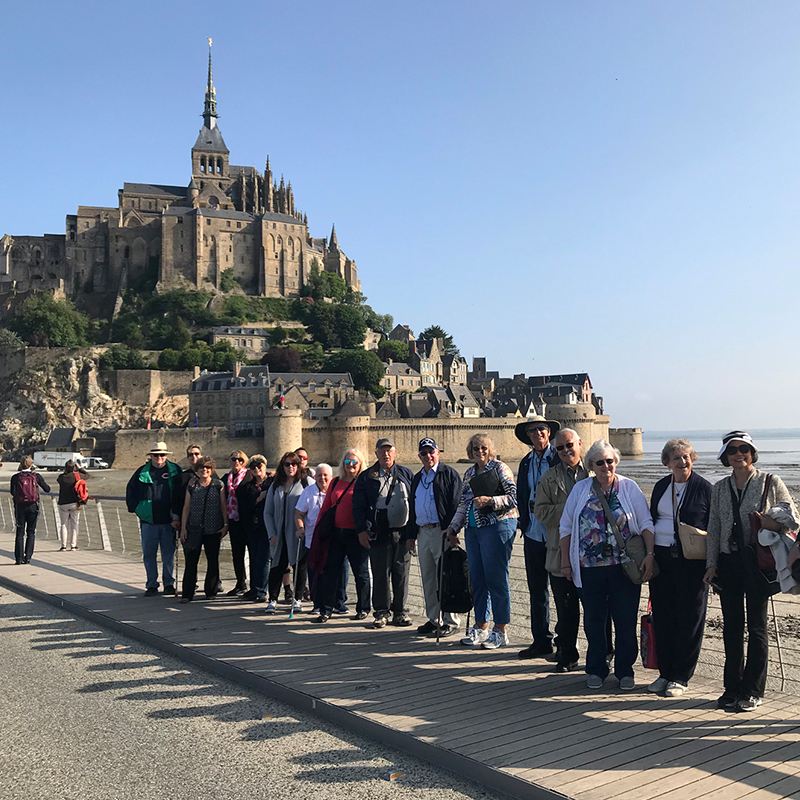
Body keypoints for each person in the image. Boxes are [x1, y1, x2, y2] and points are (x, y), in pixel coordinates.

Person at [704, 431, 799, 712]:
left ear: (752, 452)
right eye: (732, 449)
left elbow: (793, 521)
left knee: (757, 627)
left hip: (757, 562)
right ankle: (731, 688)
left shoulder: (770, 482)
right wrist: (711, 564)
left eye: (744, 448)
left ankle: (753, 690)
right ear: (725, 455)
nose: (738, 454)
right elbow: (714, 529)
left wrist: (775, 525)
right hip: (728, 562)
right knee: (731, 627)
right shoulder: (720, 487)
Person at [560, 440, 655, 691]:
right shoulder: (581, 489)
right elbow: (566, 526)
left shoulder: (629, 487)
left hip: (624, 567)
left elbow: (645, 523)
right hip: (588, 566)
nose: (605, 466)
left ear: (616, 462)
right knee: (594, 620)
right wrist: (565, 564)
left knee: (624, 619)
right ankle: (596, 668)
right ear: (591, 465)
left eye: (609, 461)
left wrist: (650, 554)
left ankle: (625, 670)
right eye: (600, 462)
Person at [648, 438, 713, 697]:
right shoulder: (661, 486)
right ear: (667, 463)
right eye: (677, 458)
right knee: (663, 615)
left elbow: (715, 528)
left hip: (693, 563)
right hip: (663, 559)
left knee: (690, 618)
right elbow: (651, 519)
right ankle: (664, 673)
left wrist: (713, 565)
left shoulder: (705, 488)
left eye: (686, 456)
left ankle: (681, 677)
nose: (683, 461)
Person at [444, 433, 518, 650]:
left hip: (498, 527)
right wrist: (453, 527)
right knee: (477, 579)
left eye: (484, 448)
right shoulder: (468, 473)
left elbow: (514, 498)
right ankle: (481, 626)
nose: (480, 452)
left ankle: (501, 629)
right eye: (476, 449)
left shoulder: (500, 468)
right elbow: (462, 505)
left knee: (496, 579)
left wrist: (490, 501)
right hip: (474, 531)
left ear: (490, 449)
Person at [533, 428, 589, 672]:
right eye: (560, 448)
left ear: (579, 443)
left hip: (592, 552)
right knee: (565, 608)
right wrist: (570, 509)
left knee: (597, 608)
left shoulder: (594, 470)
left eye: (570, 445)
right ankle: (567, 654)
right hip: (560, 553)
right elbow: (540, 511)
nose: (566, 451)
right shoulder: (549, 477)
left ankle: (604, 653)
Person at [354, 438, 414, 628]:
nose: (386, 454)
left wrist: (414, 532)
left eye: (389, 451)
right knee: (380, 573)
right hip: (378, 532)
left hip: (403, 533)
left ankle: (400, 612)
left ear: (395, 453)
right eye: (382, 451)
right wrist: (361, 531)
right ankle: (381, 612)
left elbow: (415, 502)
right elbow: (358, 507)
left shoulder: (406, 474)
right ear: (376, 454)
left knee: (402, 573)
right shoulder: (366, 477)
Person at [406, 437, 463, 637]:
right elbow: (413, 508)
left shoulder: (449, 474)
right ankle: (434, 618)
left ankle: (451, 620)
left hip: (442, 531)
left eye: (431, 452)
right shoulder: (417, 478)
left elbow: (456, 504)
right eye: (423, 453)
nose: (428, 456)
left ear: (438, 453)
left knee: (446, 576)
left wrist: (452, 531)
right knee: (429, 577)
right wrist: (411, 535)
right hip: (423, 531)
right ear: (419, 456)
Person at [515, 415, 561, 660]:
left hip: (555, 534)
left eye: (541, 429)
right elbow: (521, 494)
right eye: (532, 430)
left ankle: (563, 643)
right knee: (537, 590)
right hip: (533, 533)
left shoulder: (558, 458)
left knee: (562, 591)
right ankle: (541, 640)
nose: (537, 433)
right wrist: (523, 520)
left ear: (549, 432)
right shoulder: (525, 463)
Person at [315, 448, 371, 623]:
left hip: (357, 534)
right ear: (343, 464)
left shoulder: (365, 483)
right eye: (347, 462)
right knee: (331, 572)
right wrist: (318, 531)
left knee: (361, 573)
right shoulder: (335, 482)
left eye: (355, 462)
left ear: (361, 464)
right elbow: (326, 508)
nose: (351, 465)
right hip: (337, 534)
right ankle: (326, 610)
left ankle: (363, 608)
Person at [125, 441, 182, 596]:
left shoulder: (175, 470)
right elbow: (131, 491)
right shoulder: (141, 471)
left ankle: (169, 584)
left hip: (169, 521)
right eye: (156, 455)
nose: (159, 458)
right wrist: (136, 509)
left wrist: (179, 515)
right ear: (151, 456)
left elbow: (182, 493)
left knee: (168, 555)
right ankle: (151, 585)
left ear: (166, 456)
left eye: (162, 455)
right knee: (149, 555)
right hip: (148, 521)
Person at [263, 451, 312, 614]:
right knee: (277, 566)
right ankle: (273, 599)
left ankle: (298, 599)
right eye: (287, 464)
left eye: (294, 464)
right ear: (282, 466)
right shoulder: (275, 485)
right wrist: (272, 534)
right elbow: (267, 512)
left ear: (298, 465)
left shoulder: (306, 483)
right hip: (278, 535)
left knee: (300, 566)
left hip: (298, 534)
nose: (290, 467)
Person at [179, 456, 228, 603]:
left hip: (213, 529)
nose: (204, 470)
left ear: (212, 470)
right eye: (202, 468)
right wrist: (183, 529)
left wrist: (226, 525)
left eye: (207, 467)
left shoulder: (218, 485)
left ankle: (211, 591)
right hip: (194, 528)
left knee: (213, 561)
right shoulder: (192, 485)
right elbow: (186, 508)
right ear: (197, 470)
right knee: (191, 562)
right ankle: (187, 594)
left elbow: (223, 506)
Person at [295, 463, 333, 613]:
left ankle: (335, 603)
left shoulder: (334, 490)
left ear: (331, 477)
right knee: (314, 572)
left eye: (325, 475)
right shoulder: (308, 492)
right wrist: (300, 528)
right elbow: (298, 513)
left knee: (332, 572)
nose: (322, 478)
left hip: (332, 539)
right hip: (312, 539)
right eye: (319, 475)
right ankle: (317, 604)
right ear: (314, 477)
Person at [237, 455, 273, 602]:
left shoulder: (272, 483)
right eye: (253, 467)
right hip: (253, 526)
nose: (257, 469)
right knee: (254, 558)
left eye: (260, 466)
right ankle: (254, 588)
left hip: (268, 527)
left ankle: (262, 591)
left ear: (265, 466)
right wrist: (258, 498)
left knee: (264, 559)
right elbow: (243, 507)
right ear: (250, 471)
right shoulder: (247, 487)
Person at [11, 456, 51, 565]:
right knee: (31, 532)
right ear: (31, 464)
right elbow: (47, 489)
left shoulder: (15, 477)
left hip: (20, 507)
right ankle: (27, 557)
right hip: (33, 506)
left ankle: (18, 559)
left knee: (20, 533)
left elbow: (12, 491)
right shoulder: (36, 476)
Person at [223, 449, 252, 596]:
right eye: (234, 459)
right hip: (234, 521)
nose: (236, 462)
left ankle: (255, 585)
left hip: (248, 521)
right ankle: (240, 583)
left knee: (253, 554)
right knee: (237, 554)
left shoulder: (249, 475)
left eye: (240, 460)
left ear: (244, 461)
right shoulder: (226, 477)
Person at [57, 460, 87, 551]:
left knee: (63, 524)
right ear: (74, 467)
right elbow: (88, 475)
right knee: (74, 524)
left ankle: (63, 546)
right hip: (74, 502)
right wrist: (80, 469)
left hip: (63, 503)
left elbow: (59, 479)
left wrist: (66, 470)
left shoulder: (61, 477)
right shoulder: (76, 476)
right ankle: (73, 545)